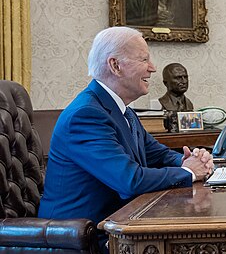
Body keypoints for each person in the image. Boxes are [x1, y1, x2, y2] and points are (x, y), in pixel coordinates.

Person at [38, 27, 214, 225]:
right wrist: (189, 172)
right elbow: (129, 180)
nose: (153, 68)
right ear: (115, 65)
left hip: (119, 222)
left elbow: (156, 154)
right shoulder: (86, 115)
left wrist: (189, 159)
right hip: (80, 238)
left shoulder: (123, 110)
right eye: (144, 59)